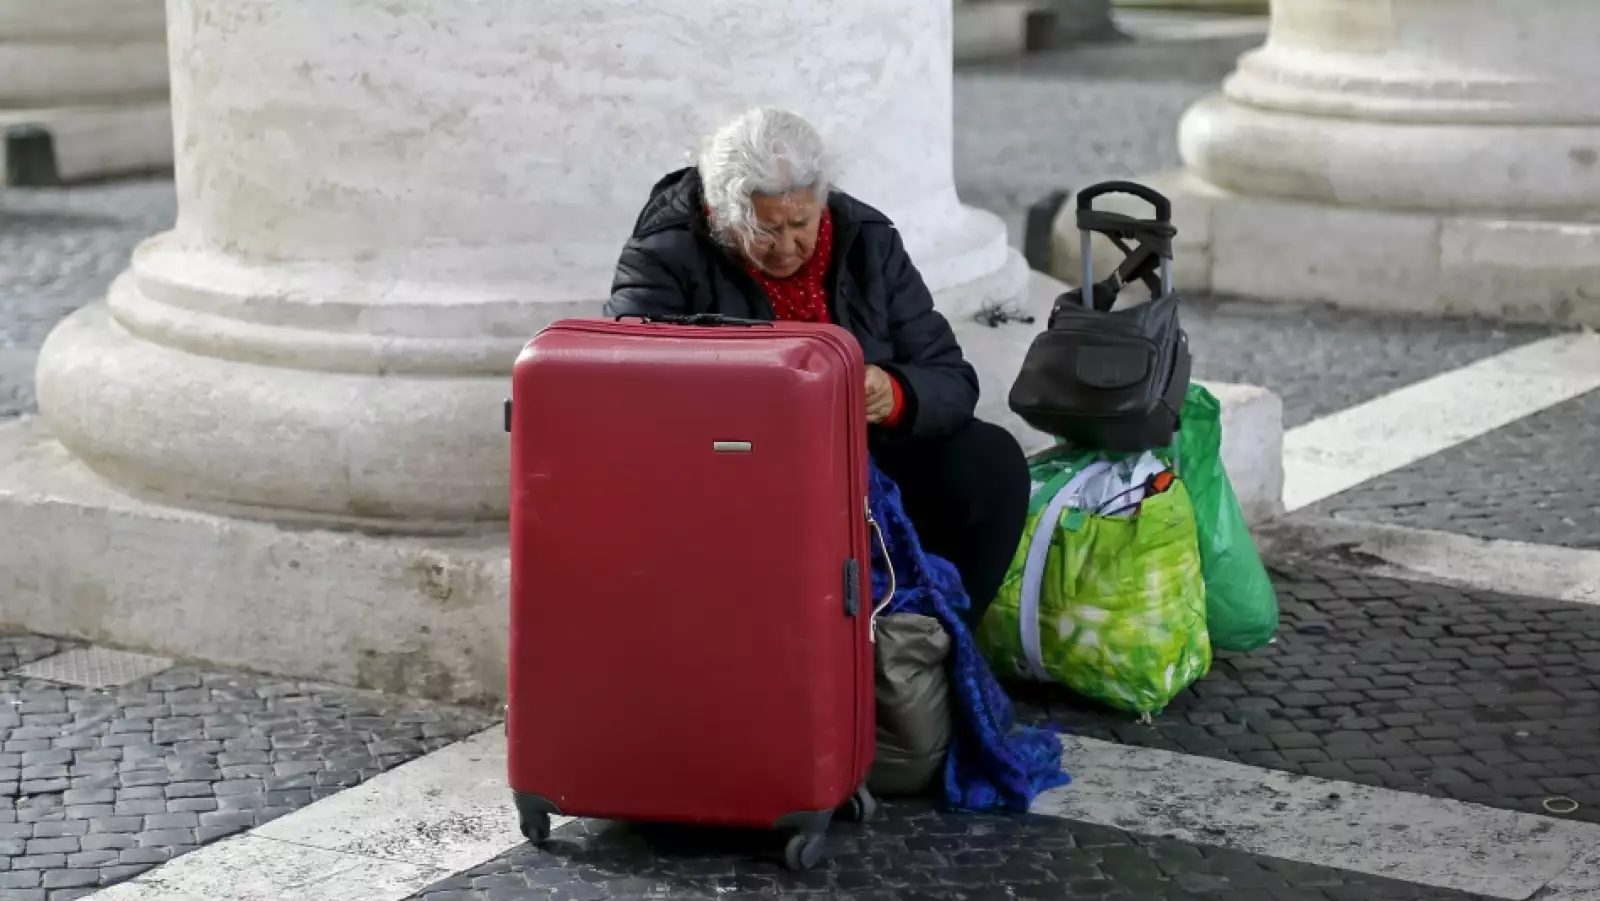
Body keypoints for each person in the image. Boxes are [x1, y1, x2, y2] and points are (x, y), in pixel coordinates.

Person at [604, 107, 1029, 625]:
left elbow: (950, 376)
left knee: (989, 463)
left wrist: (895, 394)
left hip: (865, 458)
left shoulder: (867, 239)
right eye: (764, 229)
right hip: (738, 467)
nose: (786, 248)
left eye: (800, 223)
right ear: (721, 214)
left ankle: (933, 644)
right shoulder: (664, 253)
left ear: (820, 203)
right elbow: (632, 391)